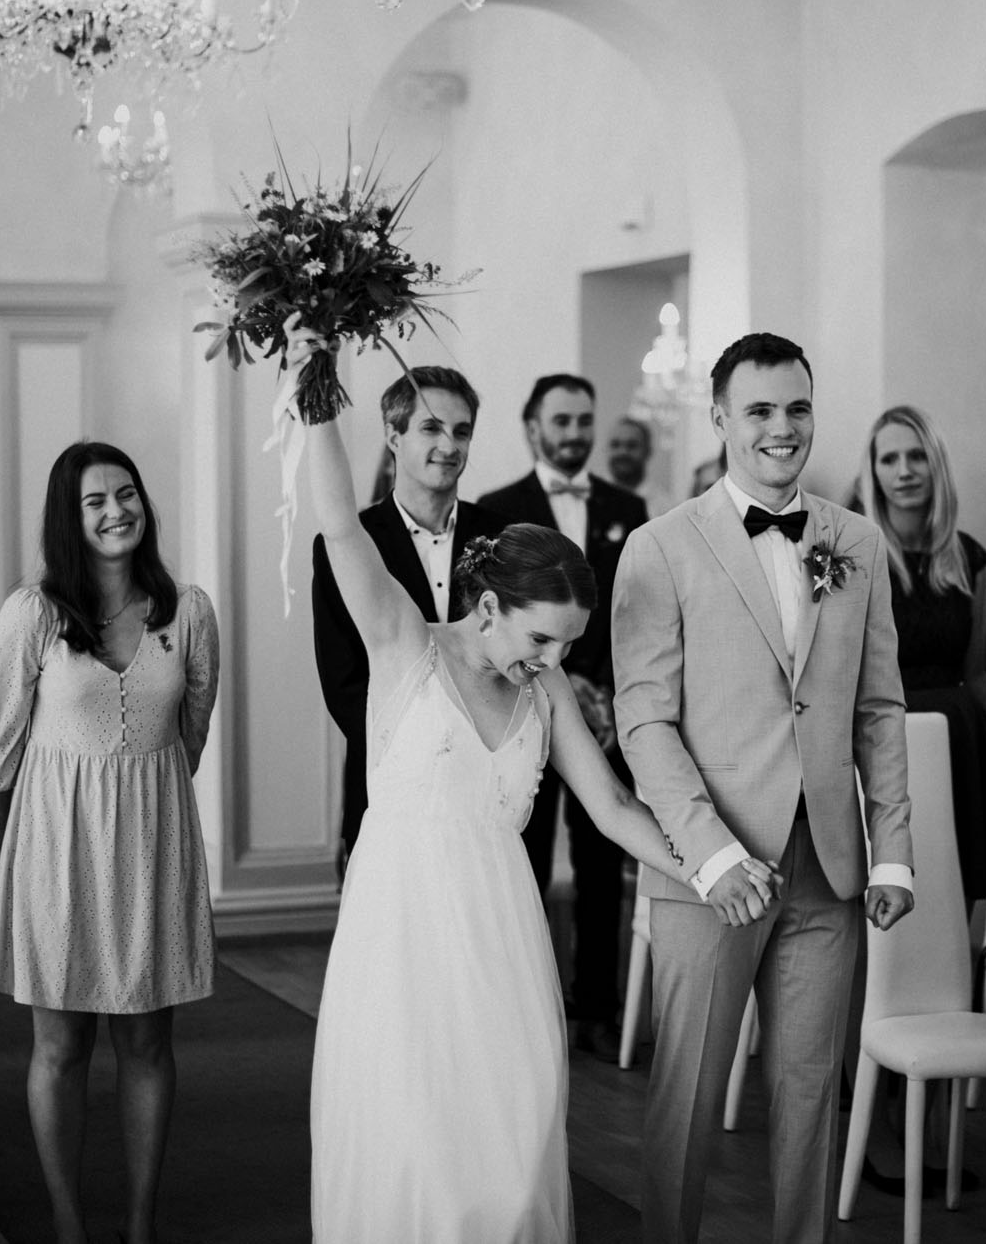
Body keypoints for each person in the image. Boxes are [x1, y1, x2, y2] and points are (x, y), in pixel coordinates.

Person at [301, 335, 770, 1240]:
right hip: (401, 926)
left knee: (514, 1147)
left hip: (503, 930)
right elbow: (340, 527)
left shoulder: (546, 689)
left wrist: (712, 867)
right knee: (415, 1142)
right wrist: (316, 388)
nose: (552, 660)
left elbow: (614, 808)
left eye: (565, 644)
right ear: (489, 606)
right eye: (541, 639)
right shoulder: (403, 647)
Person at [613, 332, 915, 1244]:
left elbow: (879, 710)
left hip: (828, 866)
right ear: (719, 417)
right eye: (760, 410)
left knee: (811, 1094)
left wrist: (892, 852)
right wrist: (710, 855)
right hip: (711, 872)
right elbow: (645, 722)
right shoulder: (659, 547)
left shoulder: (856, 540)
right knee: (688, 1098)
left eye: (797, 408)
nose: (782, 428)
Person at [0, 442, 219, 1244]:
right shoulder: (33, 613)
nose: (117, 510)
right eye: (95, 500)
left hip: (154, 841)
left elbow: (191, 734)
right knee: (61, 1043)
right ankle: (68, 1224)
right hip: (55, 844)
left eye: (127, 492)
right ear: (68, 519)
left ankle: (141, 1224)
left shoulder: (189, 611)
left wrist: (144, 800)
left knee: (147, 1041)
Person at [479, 373, 650, 1062]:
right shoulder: (496, 508)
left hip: (602, 715)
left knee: (601, 863)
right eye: (562, 420)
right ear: (532, 427)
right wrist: (556, 685)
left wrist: (603, 694)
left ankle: (598, 1006)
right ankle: (525, 1001)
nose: (575, 432)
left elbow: (634, 613)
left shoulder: (627, 506)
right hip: (522, 706)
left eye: (584, 420)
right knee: (520, 855)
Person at [311, 366, 509, 866]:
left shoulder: (505, 538)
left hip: (488, 796)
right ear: (393, 435)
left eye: (462, 432)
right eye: (431, 428)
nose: (449, 445)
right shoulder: (350, 544)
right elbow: (344, 682)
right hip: (389, 788)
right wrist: (426, 753)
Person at [859, 404, 986, 908]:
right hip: (884, 742)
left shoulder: (969, 558)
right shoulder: (852, 554)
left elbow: (977, 676)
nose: (905, 471)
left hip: (960, 736)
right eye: (889, 459)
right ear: (873, 472)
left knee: (957, 903)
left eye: (917, 456)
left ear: (936, 463)